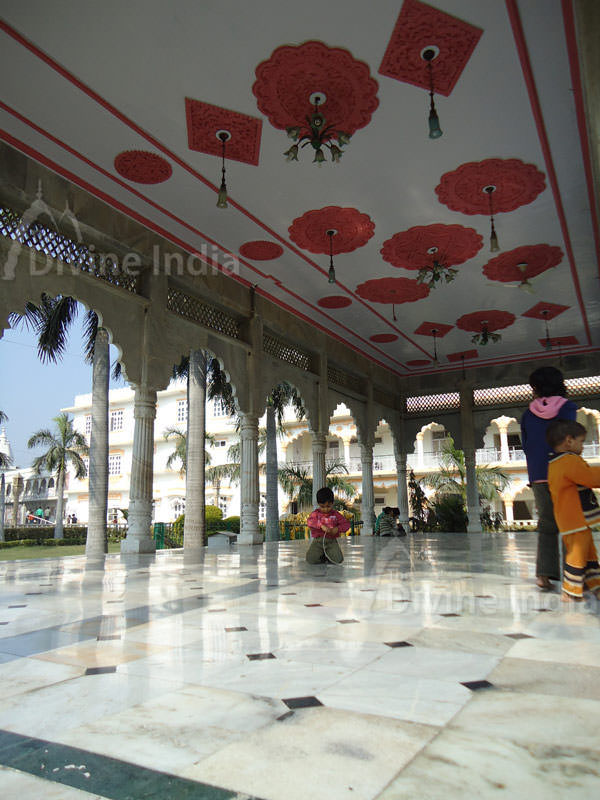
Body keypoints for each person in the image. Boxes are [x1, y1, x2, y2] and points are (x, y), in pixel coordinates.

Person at [521, 366, 577, 590]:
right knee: (570, 523)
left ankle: (543, 576)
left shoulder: (527, 414)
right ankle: (573, 572)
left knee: (546, 524)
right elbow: (570, 439)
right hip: (563, 471)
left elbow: (526, 445)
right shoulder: (568, 408)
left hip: (539, 474)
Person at [546, 419, 600, 602]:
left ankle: (596, 586)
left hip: (571, 519)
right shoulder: (568, 461)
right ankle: (570, 591)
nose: (582, 446)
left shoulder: (555, 462)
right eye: (581, 441)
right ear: (569, 441)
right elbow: (590, 478)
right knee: (577, 554)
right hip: (575, 518)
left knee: (589, 553)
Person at [306, 487, 350, 564]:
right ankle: (322, 555)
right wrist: (321, 526)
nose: (326, 509)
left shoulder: (336, 514)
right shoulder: (315, 514)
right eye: (322, 507)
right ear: (319, 504)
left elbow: (346, 524)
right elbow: (310, 522)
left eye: (328, 506)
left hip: (331, 541)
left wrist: (337, 529)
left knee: (338, 560)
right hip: (318, 541)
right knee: (311, 560)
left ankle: (327, 555)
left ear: (332, 503)